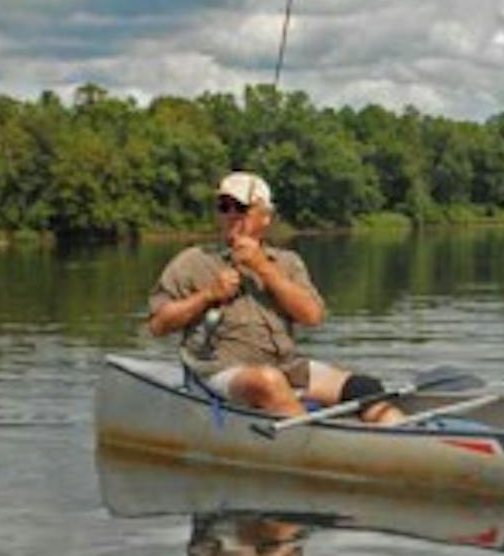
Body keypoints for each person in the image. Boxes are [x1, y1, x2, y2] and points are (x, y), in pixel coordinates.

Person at [145, 171, 401, 423]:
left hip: (285, 366)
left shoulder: (287, 262)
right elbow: (158, 325)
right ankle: (317, 448)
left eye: (241, 207)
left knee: (366, 387)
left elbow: (312, 316)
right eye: (224, 206)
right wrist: (208, 295)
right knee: (269, 382)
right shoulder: (193, 261)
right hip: (220, 370)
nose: (231, 215)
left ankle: (405, 439)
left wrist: (263, 267)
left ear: (265, 217)